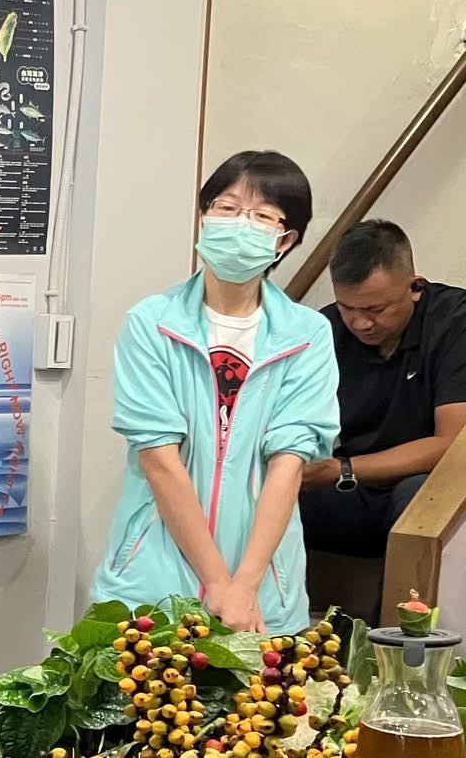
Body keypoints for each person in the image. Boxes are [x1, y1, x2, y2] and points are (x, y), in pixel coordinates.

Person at [94, 151, 339, 634]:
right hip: (153, 580)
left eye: (262, 215)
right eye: (227, 208)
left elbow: (289, 464)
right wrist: (217, 582)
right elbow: (160, 460)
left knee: (261, 710)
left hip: (266, 588)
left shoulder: (308, 334)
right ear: (203, 218)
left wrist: (243, 586)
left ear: (284, 240)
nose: (241, 223)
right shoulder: (152, 324)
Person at [300, 220, 466, 564]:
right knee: (262, 492)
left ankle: (396, 619)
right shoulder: (325, 329)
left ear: (415, 286)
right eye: (348, 308)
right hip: (356, 488)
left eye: (376, 309)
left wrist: (340, 469)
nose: (361, 323)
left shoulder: (454, 321)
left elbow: (452, 444)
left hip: (433, 488)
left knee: (419, 496)